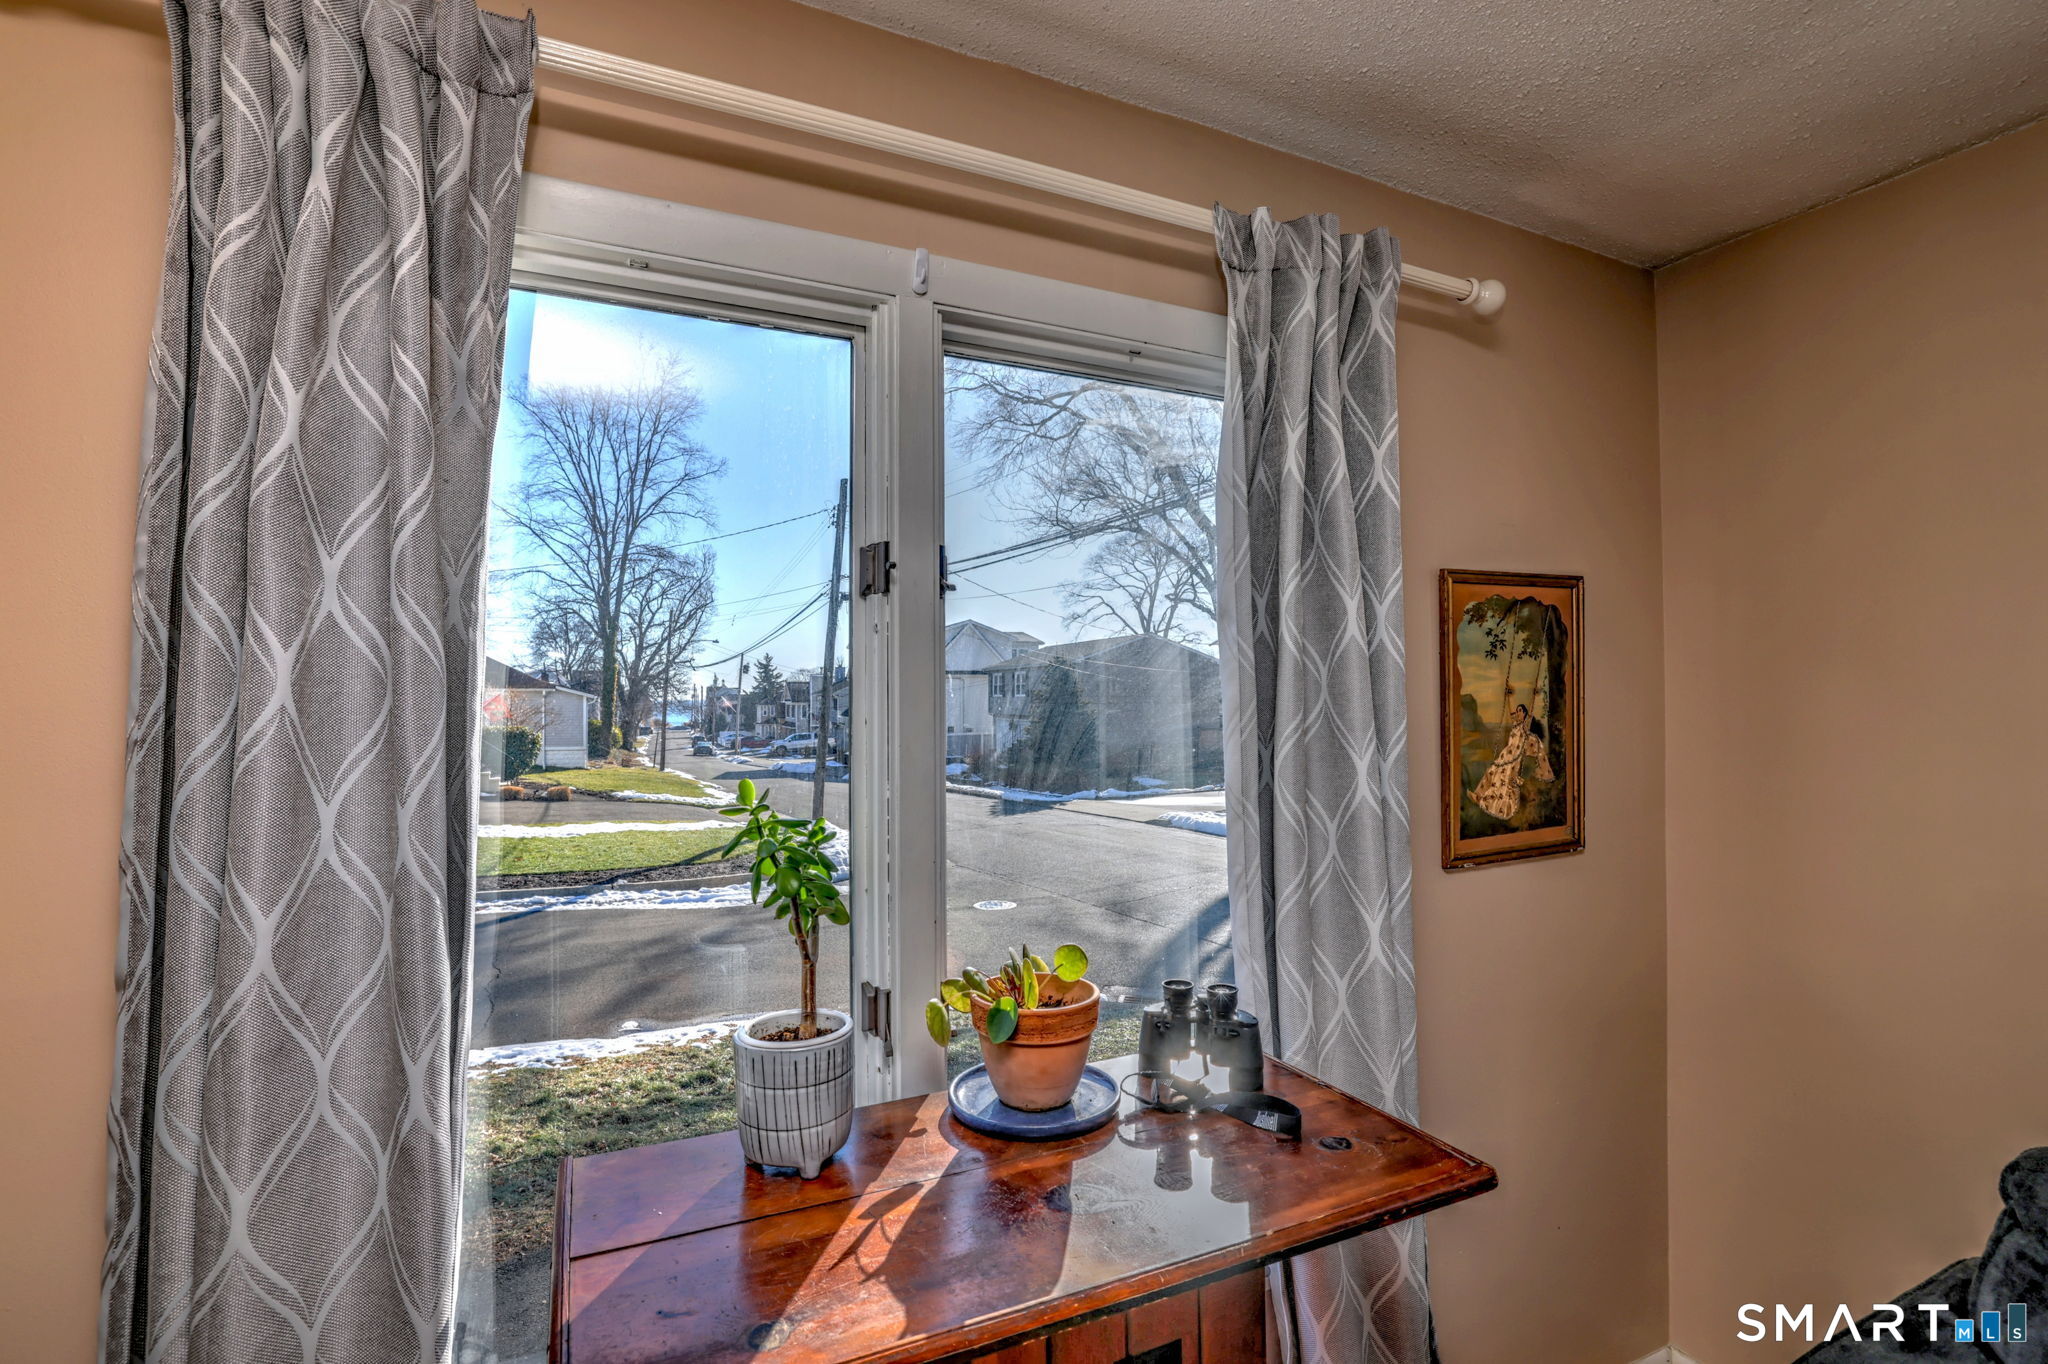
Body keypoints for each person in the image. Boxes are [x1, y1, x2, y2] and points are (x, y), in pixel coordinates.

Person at [1470, 702, 1549, 821]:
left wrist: (1532, 700)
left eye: (1520, 711)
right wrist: (1508, 697)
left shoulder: (1525, 726)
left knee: (1504, 781)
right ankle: (1479, 795)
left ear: (1525, 713)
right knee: (1492, 772)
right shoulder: (1515, 724)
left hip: (1514, 758)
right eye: (1517, 711)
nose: (1518, 713)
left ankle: (1495, 805)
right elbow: (1510, 709)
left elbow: (1530, 712)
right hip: (1506, 754)